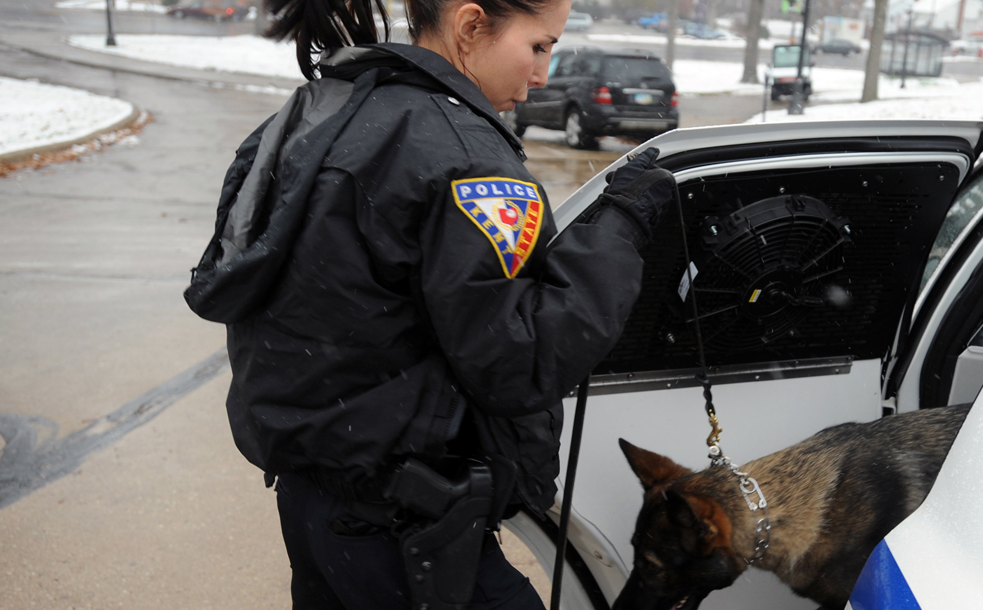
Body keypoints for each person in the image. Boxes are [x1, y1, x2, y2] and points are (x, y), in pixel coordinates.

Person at [182, 0, 676, 605]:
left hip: (316, 501)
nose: (543, 75)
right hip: (410, 531)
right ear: (471, 26)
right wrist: (619, 230)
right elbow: (520, 361)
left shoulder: (325, 108)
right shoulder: (463, 155)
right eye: (540, 46)